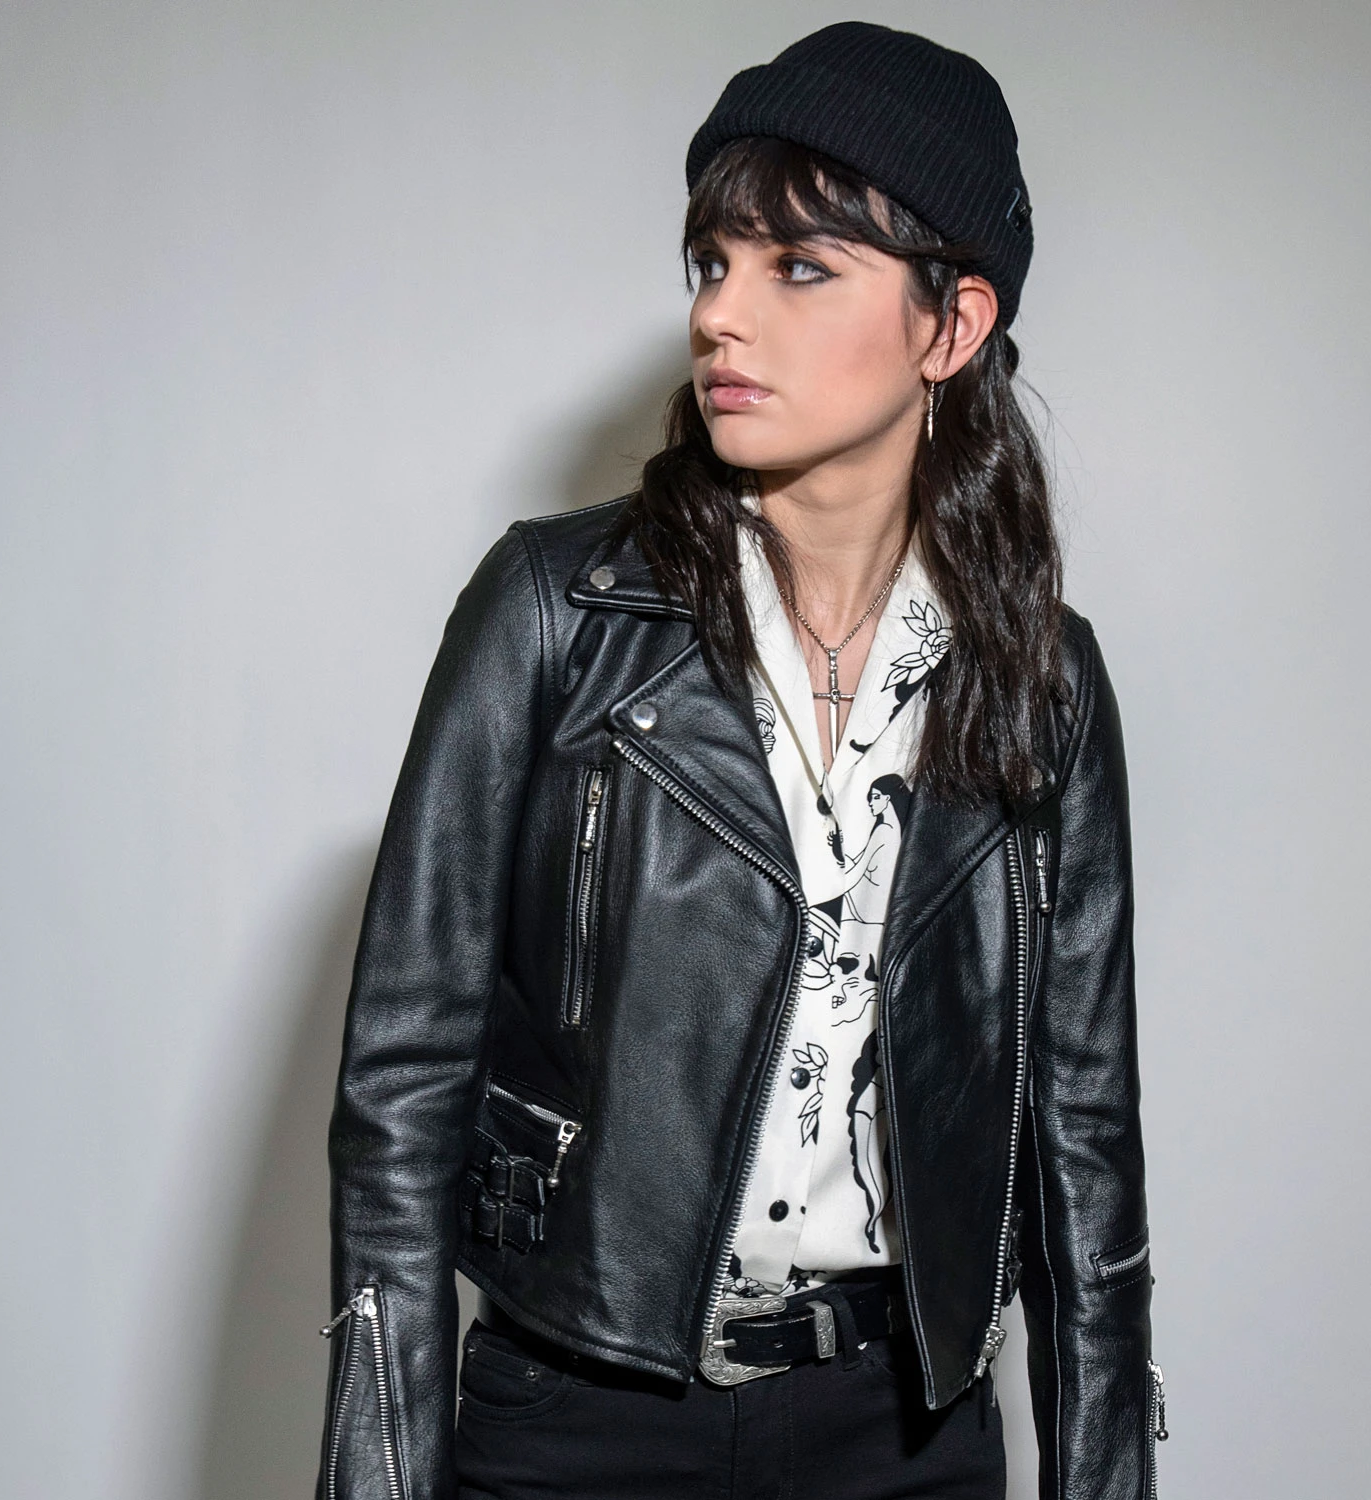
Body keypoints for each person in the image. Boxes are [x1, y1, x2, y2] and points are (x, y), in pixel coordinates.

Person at [316, 21, 1161, 1500]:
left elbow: (1080, 1136)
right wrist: (379, 1469)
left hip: (906, 1435)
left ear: (952, 327)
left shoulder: (1043, 680)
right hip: (578, 1424)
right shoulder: (555, 613)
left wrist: (1102, 1474)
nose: (721, 314)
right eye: (712, 262)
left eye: (801, 268)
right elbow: (403, 1081)